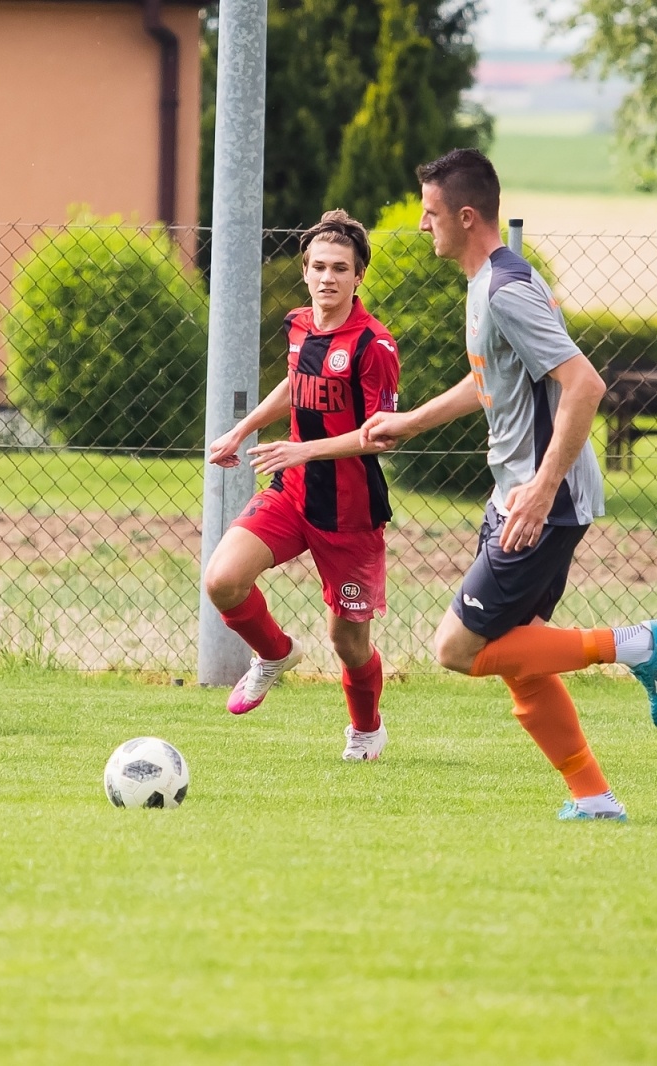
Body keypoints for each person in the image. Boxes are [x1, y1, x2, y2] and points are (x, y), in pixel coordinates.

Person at [362, 150, 657, 821]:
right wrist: (414, 421)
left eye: (431, 213)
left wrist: (539, 490)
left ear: (466, 216)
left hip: (542, 500)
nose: (423, 227)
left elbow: (585, 385)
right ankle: (594, 797)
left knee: (456, 648)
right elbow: (491, 383)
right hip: (518, 493)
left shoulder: (505, 289)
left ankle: (636, 645)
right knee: (521, 655)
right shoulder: (487, 285)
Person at [205, 210, 401, 761]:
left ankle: (366, 731)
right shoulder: (300, 325)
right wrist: (244, 429)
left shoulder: (374, 347)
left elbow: (380, 437)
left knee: (348, 641)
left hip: (351, 513)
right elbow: (298, 382)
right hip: (292, 491)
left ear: (358, 276)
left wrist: (305, 448)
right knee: (222, 580)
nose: (327, 277)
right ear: (306, 271)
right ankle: (274, 655)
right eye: (318, 266)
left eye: (340, 268)